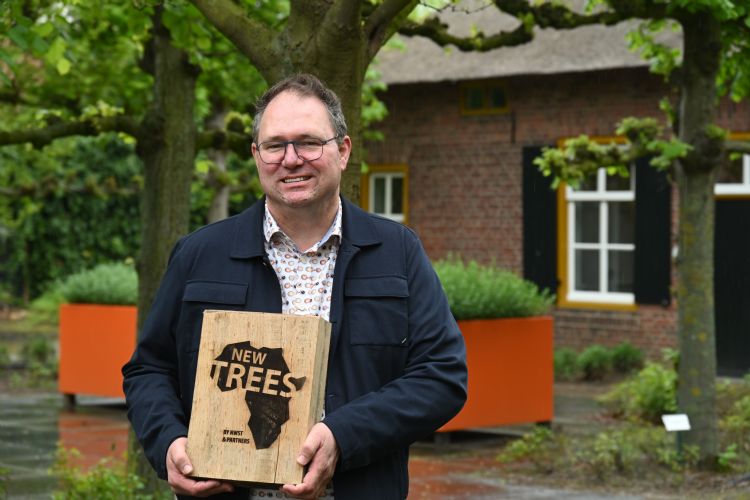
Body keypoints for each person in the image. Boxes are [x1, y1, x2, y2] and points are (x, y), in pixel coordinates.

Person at [122, 73, 467, 500]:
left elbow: (442, 376)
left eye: (308, 142)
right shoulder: (199, 254)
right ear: (256, 155)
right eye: (274, 145)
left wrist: (343, 435)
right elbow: (149, 370)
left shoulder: (397, 251)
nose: (291, 159)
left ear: (342, 151)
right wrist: (169, 442)